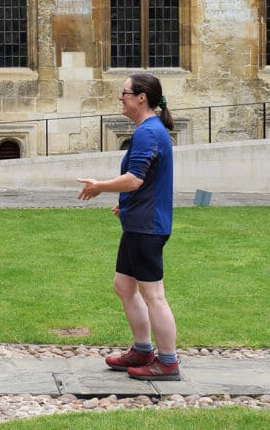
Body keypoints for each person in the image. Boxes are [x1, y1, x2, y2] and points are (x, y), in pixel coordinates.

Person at [77, 73, 180, 381]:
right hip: (139, 222)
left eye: (124, 93)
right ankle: (142, 350)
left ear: (141, 98)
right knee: (124, 287)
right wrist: (126, 205)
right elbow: (148, 180)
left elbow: (135, 179)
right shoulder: (149, 131)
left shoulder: (148, 133)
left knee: (154, 295)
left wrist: (100, 186)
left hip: (147, 227)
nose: (120, 98)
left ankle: (168, 362)